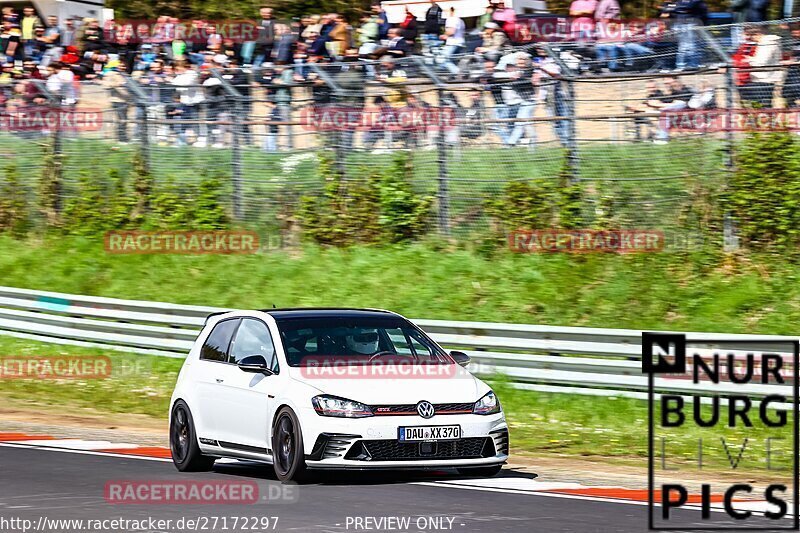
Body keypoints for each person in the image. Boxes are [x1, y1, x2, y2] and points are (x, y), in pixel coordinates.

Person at [733, 26, 780, 107]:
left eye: (751, 36)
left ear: (757, 34)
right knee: (754, 105)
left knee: (762, 107)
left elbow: (760, 62)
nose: (750, 39)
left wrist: (747, 59)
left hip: (764, 81)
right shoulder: (763, 43)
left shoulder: (768, 43)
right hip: (759, 80)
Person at [441, 7, 466, 76]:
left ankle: (458, 73)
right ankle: (453, 77)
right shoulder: (460, 20)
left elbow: (451, 31)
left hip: (452, 43)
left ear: (451, 11)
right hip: (460, 43)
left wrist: (444, 35)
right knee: (453, 61)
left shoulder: (451, 19)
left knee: (442, 59)